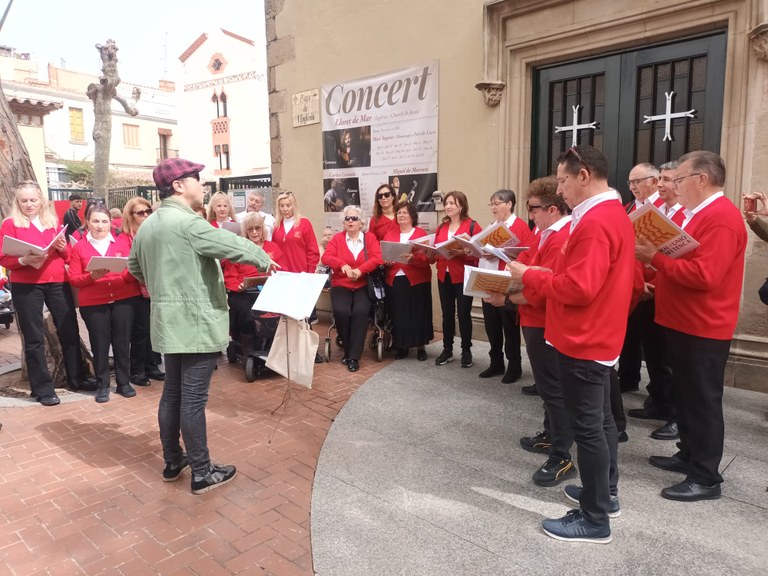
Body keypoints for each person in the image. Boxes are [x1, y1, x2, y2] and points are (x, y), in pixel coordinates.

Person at [508, 145, 635, 543]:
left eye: (563, 180)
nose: (559, 190)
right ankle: (604, 494)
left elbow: (580, 288)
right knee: (600, 422)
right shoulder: (609, 214)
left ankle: (595, 519)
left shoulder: (597, 221)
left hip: (584, 338)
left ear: (584, 175)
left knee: (589, 428)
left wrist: (531, 275)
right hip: (597, 334)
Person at [128, 158, 273, 495]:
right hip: (195, 323)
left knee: (172, 395)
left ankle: (172, 460)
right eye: (195, 178)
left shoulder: (148, 225)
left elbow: (135, 266)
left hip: (168, 322)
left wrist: (162, 286)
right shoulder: (189, 223)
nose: (202, 184)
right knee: (192, 401)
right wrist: (263, 258)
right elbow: (230, 244)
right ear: (178, 185)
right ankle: (203, 472)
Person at [636, 150, 746, 502]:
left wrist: (655, 258)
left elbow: (706, 275)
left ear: (702, 179)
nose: (674, 186)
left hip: (703, 325)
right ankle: (689, 454)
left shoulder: (721, 218)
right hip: (683, 321)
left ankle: (706, 476)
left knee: (702, 401)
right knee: (685, 396)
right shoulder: (696, 215)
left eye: (679, 179)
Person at [488, 177, 578, 488]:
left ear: (553, 209)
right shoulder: (545, 233)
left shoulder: (562, 235)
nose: (531, 215)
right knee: (546, 384)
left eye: (533, 209)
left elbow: (543, 288)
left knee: (554, 389)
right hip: (534, 319)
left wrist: (506, 297)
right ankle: (550, 433)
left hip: (544, 319)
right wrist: (501, 278)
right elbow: (525, 263)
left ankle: (561, 454)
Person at [0, 181, 94, 405]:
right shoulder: (10, 224)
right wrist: (23, 260)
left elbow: (67, 255)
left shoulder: (52, 222)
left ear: (41, 200)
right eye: (24, 201)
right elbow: (4, 257)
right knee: (34, 338)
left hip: (57, 281)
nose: (29, 204)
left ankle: (76, 378)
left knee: (69, 330)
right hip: (27, 285)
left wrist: (62, 247)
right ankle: (42, 389)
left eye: (33, 200)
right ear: (18, 202)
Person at [627, 161, 683, 441]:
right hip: (646, 290)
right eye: (659, 179)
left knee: (670, 357)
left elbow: (679, 257)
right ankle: (657, 401)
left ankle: (674, 413)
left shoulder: (682, 214)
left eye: (666, 179)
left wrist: (656, 285)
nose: (661, 184)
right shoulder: (646, 210)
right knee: (653, 352)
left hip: (666, 290)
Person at [68, 204, 141, 403]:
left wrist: (125, 275)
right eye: (95, 221)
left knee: (122, 341)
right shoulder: (79, 247)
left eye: (104, 221)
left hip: (123, 298)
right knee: (99, 344)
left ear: (111, 223)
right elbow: (74, 279)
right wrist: (91, 276)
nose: (100, 226)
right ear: (87, 223)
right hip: (93, 303)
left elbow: (133, 268)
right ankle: (103, 385)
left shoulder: (122, 243)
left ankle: (124, 383)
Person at [477, 189, 533, 383]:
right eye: (491, 203)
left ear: (509, 204)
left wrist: (502, 253)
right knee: (492, 326)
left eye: (497, 203)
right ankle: (496, 362)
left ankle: (514, 366)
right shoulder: (491, 226)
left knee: (509, 327)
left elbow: (528, 254)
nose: (493, 207)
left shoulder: (521, 226)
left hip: (508, 283)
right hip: (489, 281)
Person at [321, 205, 382, 372]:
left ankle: (354, 357)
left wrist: (360, 270)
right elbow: (326, 257)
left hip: (362, 284)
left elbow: (378, 258)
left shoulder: (369, 238)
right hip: (341, 284)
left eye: (354, 218)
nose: (350, 221)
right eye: (347, 218)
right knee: (341, 312)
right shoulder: (338, 239)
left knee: (360, 313)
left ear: (361, 222)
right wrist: (342, 265)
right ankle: (348, 351)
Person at [619, 163, 662, 392]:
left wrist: (652, 284)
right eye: (630, 182)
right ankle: (627, 378)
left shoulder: (665, 208)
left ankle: (659, 393)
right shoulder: (627, 209)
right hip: (632, 283)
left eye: (638, 181)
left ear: (655, 181)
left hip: (655, 286)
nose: (633, 187)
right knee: (628, 336)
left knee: (655, 344)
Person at [433, 190, 481, 368]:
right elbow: (437, 251)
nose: (448, 206)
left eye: (452, 203)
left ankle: (466, 350)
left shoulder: (472, 226)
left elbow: (480, 253)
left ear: (461, 206)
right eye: (446, 203)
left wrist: (463, 252)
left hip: (462, 275)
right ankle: (447, 349)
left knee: (463, 314)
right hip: (443, 274)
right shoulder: (441, 227)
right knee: (447, 314)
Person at [221, 212, 283, 344]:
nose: (254, 232)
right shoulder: (239, 250)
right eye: (250, 229)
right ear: (245, 231)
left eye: (258, 228)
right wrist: (239, 286)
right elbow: (230, 277)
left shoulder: (273, 247)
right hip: (242, 293)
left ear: (263, 228)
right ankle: (248, 344)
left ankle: (272, 342)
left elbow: (281, 271)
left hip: (268, 291)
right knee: (245, 310)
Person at [122, 197, 164, 387]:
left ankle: (152, 365)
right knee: (140, 332)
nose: (146, 215)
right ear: (131, 216)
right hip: (134, 288)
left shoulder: (155, 233)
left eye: (148, 212)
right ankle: (137, 370)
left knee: (153, 329)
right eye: (140, 213)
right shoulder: (125, 237)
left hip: (155, 286)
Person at [382, 202, 433, 361]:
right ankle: (402, 346)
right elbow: (384, 254)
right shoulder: (390, 233)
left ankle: (420, 346)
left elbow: (427, 259)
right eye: (398, 213)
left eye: (404, 212)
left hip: (417, 279)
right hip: (396, 278)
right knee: (399, 313)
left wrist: (413, 258)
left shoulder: (420, 233)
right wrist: (387, 261)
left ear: (412, 216)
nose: (401, 215)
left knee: (418, 313)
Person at [272, 191, 320, 274]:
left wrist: (310, 272)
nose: (285, 209)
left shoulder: (304, 224)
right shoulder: (276, 226)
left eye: (288, 205)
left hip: (301, 272)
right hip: (281, 273)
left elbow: (313, 251)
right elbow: (274, 250)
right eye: (282, 206)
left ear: (293, 206)